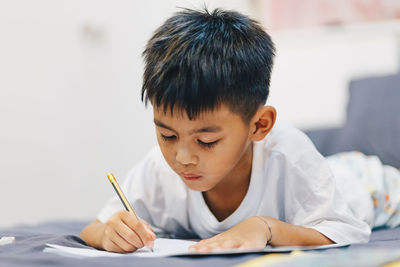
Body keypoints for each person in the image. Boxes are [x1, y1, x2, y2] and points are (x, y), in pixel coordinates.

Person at [80, 8, 399, 253]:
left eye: (206, 141)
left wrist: (266, 228)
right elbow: (92, 229)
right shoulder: (158, 171)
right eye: (168, 135)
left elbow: (347, 231)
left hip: (370, 186)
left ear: (259, 125)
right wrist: (110, 233)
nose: (182, 157)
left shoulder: (290, 159)